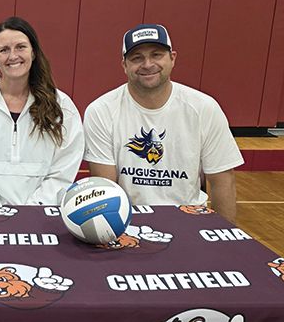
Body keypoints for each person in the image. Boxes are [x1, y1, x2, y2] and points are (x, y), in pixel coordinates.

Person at [83, 23, 243, 221]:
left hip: (189, 219)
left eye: (157, 55)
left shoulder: (204, 108)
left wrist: (222, 240)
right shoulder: (101, 111)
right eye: (137, 58)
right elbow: (105, 188)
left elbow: (222, 182)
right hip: (126, 221)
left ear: (172, 58)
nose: (148, 64)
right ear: (124, 65)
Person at [0, 17, 84, 206]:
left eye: (20, 47)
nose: (13, 56)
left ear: (33, 52)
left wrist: (30, 213)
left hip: (40, 219)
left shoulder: (61, 106)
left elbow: (62, 172)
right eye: (4, 50)